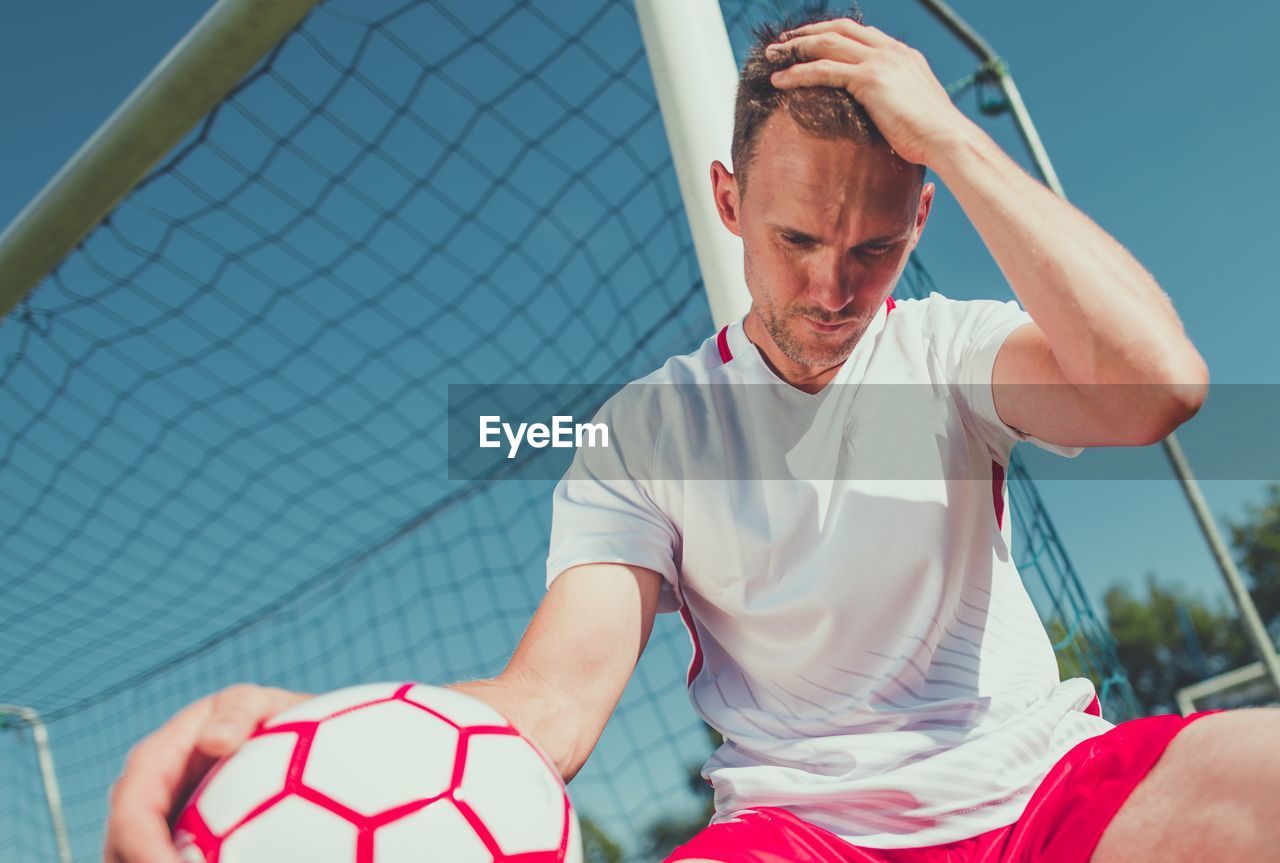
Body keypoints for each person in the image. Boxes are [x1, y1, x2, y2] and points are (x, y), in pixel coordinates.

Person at [104, 11, 1277, 863]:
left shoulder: (947, 351)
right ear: (727, 204)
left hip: (1042, 789)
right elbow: (549, 708)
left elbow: (1156, 389)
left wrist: (956, 143)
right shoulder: (641, 432)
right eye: (793, 239)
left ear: (920, 214)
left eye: (872, 246)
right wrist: (304, 726)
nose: (831, 286)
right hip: (795, 837)